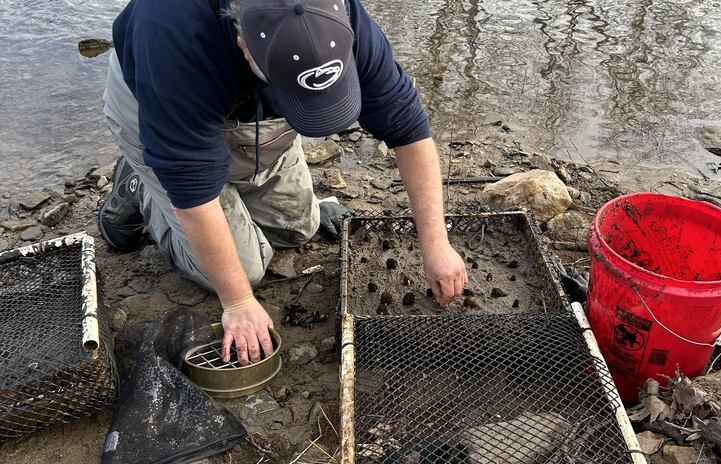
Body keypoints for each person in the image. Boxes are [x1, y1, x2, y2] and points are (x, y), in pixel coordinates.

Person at [100, 0, 468, 366]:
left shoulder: (332, 15)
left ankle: (229, 178)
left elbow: (408, 129)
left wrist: (436, 243)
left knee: (297, 229)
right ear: (245, 47)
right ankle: (141, 184)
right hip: (155, 101)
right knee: (246, 270)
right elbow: (195, 199)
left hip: (251, 107)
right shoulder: (173, 40)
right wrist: (239, 303)